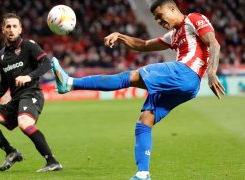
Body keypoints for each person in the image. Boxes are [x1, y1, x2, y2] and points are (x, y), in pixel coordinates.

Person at [51, 0, 225, 179]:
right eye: (155, 19)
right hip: (187, 87)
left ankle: (70, 83)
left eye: (160, 16)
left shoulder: (194, 19)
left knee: (127, 78)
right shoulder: (173, 35)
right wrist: (120, 36)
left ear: (172, 9)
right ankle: (143, 174)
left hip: (184, 72)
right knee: (144, 122)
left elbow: (214, 44)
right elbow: (143, 45)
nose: (159, 22)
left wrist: (212, 72)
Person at [0, 13, 62, 172]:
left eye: (15, 26)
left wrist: (29, 76)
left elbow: (46, 63)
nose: (11, 29)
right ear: (3, 30)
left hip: (32, 94)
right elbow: (4, 82)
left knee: (24, 123)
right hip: (16, 100)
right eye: (8, 26)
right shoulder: (1, 55)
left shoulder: (29, 46)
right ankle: (11, 152)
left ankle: (52, 161)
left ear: (20, 29)